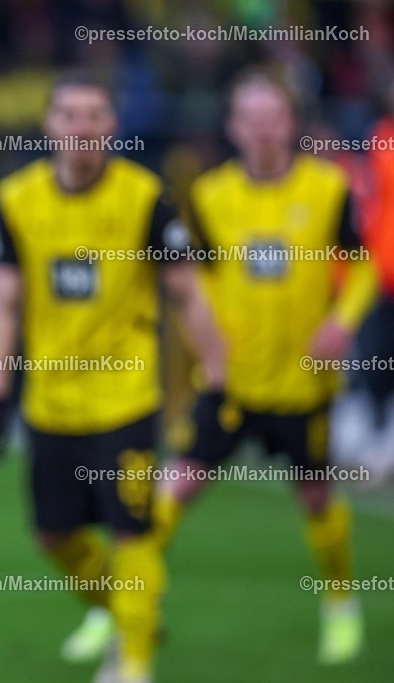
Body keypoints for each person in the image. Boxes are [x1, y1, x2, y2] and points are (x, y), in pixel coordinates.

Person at [0, 70, 226, 683]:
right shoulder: (16, 198)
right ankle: (131, 614)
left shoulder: (146, 196)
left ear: (112, 127)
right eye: (71, 114)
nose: (82, 127)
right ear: (50, 125)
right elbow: (6, 300)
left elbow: (186, 294)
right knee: (54, 538)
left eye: (95, 115)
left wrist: (219, 381)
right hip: (52, 403)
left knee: (132, 532)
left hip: (126, 397)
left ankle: (133, 664)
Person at [155, 69, 377, 665]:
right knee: (173, 492)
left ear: (290, 124)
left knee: (315, 497)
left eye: (271, 118)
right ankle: (128, 606)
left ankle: (339, 603)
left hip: (303, 385)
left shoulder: (327, 188)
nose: (261, 131)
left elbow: (361, 266)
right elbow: (187, 283)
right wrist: (204, 347)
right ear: (233, 126)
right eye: (248, 119)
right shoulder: (210, 196)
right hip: (229, 381)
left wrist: (342, 321)